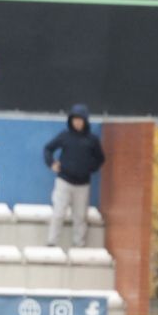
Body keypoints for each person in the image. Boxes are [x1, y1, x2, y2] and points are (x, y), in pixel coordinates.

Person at [42, 104, 105, 247]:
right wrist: (51, 163)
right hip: (64, 181)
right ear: (71, 120)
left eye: (80, 119)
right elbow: (48, 149)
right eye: (74, 119)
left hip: (83, 184)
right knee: (58, 213)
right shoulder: (65, 136)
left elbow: (100, 159)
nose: (77, 122)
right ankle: (51, 242)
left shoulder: (92, 140)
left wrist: (89, 168)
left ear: (85, 121)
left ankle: (79, 244)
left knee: (80, 217)